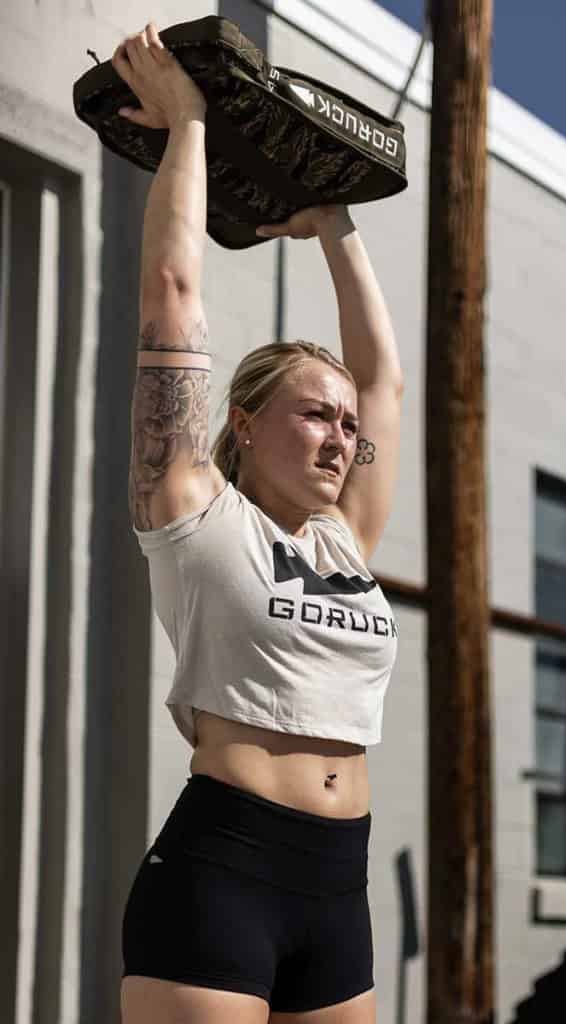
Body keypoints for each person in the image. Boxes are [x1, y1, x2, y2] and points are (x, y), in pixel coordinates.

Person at [114, 24, 403, 1024]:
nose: (340, 437)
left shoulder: (344, 538)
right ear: (244, 423)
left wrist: (333, 220)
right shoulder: (191, 507)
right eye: (314, 414)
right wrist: (187, 125)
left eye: (346, 425)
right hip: (221, 878)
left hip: (339, 887)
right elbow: (171, 298)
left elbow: (386, 381)